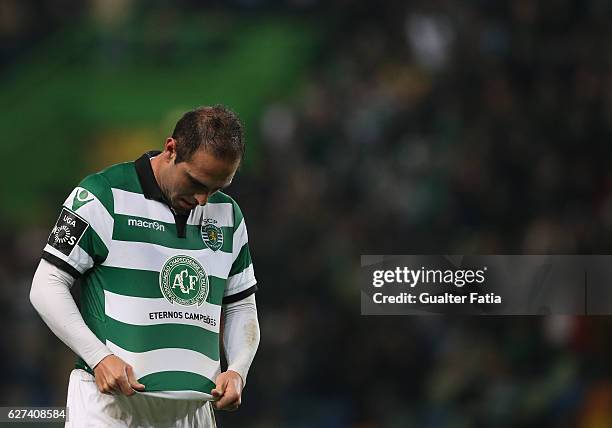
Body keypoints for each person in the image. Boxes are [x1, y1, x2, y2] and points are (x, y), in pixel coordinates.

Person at [30, 105, 260, 427]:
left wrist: (237, 369)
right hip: (110, 412)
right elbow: (46, 285)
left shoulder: (229, 216)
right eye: (195, 182)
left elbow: (241, 307)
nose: (203, 200)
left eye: (217, 187)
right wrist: (98, 358)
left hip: (192, 415)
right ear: (171, 150)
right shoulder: (100, 195)